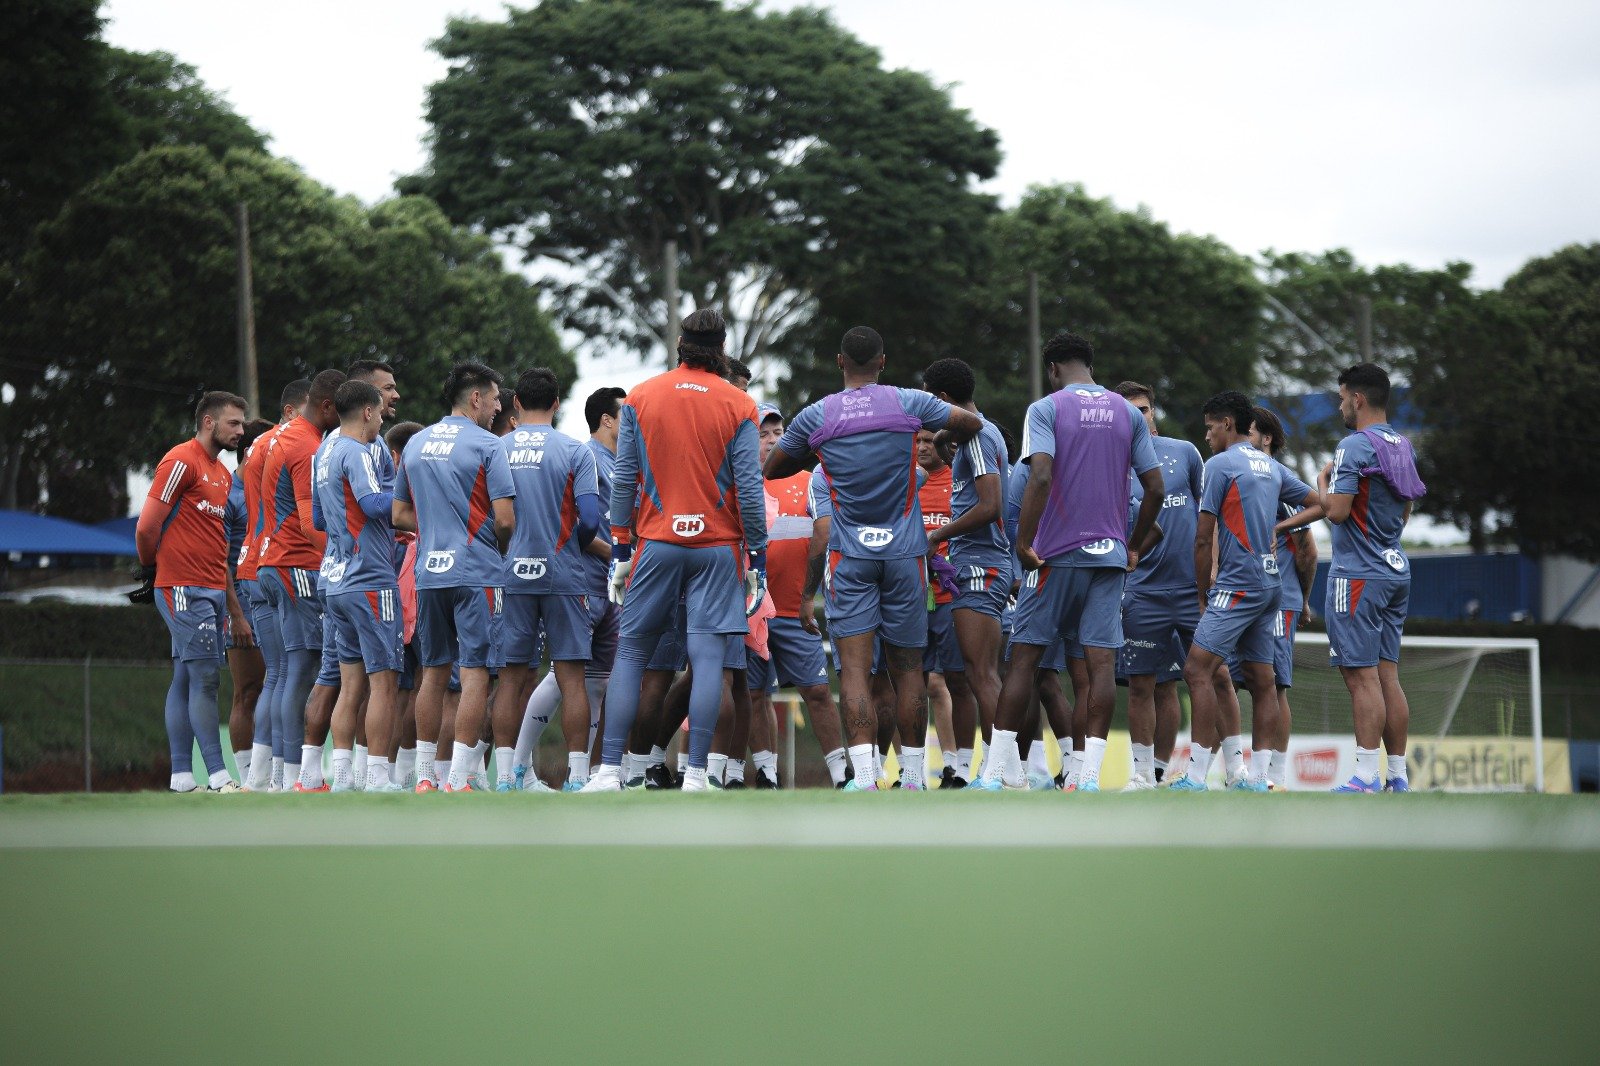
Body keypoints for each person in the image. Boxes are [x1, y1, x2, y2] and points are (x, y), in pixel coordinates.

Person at [766, 325, 981, 791]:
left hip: (851, 557)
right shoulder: (909, 402)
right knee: (909, 670)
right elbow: (972, 424)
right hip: (906, 557)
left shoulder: (817, 414)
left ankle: (863, 776)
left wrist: (822, 454)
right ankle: (912, 777)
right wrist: (927, 431)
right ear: (882, 362)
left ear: (840, 362)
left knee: (856, 670)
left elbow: (773, 467)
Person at [581, 308, 766, 792]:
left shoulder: (641, 397)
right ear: (722, 349)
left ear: (680, 344)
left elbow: (624, 481)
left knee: (632, 656)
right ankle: (698, 774)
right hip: (717, 548)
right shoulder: (739, 403)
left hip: (656, 543)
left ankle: (606, 773)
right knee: (707, 660)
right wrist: (757, 557)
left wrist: (621, 549)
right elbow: (748, 488)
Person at [975, 331, 1162, 792]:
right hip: (1109, 558)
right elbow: (1155, 488)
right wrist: (1132, 546)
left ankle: (997, 774)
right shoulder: (1126, 411)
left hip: (1054, 556)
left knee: (1024, 662)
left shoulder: (1046, 408)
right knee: (1099, 667)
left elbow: (1039, 472)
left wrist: (1024, 542)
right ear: (1090, 365)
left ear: (1054, 368)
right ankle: (1088, 778)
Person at [1283, 363, 1422, 792]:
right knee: (1387, 675)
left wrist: (1323, 480)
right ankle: (1397, 776)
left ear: (1357, 398)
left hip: (1357, 575)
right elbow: (1407, 506)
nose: (1341, 404)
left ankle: (1363, 775)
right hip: (1395, 568)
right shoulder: (1402, 444)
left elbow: (1337, 510)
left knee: (1360, 677)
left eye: (1343, 397)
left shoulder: (1353, 446)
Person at [1168, 391, 1316, 792]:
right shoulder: (1270, 465)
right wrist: (1280, 529)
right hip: (1271, 586)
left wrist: (1202, 596)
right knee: (1262, 680)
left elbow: (1202, 539)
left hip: (1237, 586)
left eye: (1210, 427)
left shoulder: (1220, 465)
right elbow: (1320, 504)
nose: (1207, 436)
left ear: (1227, 424)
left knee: (1197, 669)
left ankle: (1196, 777)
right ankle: (1259, 779)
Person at [392, 362, 516, 793]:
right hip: (476, 570)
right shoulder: (488, 445)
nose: (499, 408)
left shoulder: (416, 443)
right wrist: (490, 540)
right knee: (477, 670)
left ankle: (426, 775)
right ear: (476, 398)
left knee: (432, 671)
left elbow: (399, 514)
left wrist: (435, 529)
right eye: (496, 398)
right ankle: (461, 776)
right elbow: (505, 519)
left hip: (428, 572)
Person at [492, 368, 603, 791]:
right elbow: (591, 519)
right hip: (564, 573)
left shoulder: (497, 448)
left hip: (512, 574)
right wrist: (573, 546)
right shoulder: (576, 451)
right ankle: (576, 778)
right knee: (571, 678)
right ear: (557, 403)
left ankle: (506, 778)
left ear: (516, 401)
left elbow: (491, 517)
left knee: (512, 678)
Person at [132, 391, 249, 793]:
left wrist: (230, 604)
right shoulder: (180, 460)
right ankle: (217, 776)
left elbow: (215, 543)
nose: (240, 430)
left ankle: (182, 777)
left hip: (210, 589)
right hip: (183, 586)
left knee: (185, 676)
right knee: (205, 679)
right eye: (233, 422)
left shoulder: (222, 473)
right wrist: (151, 570)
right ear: (209, 422)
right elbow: (147, 527)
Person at [512, 386, 623, 790]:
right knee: (563, 676)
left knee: (594, 682)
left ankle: (584, 777)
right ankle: (519, 768)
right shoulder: (584, 455)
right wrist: (615, 555)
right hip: (582, 583)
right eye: (624, 414)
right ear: (606, 420)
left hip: (611, 589)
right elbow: (577, 528)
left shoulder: (619, 462)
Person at [742, 402, 842, 788]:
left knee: (817, 691)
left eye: (777, 432)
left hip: (796, 613)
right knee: (754, 695)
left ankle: (841, 775)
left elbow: (824, 535)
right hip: (752, 612)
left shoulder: (810, 479)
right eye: (762, 434)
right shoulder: (743, 483)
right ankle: (767, 774)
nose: (771, 440)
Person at [1111, 381, 1205, 789]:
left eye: (1145, 409)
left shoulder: (1185, 452)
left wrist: (1213, 571)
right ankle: (1142, 774)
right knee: (1142, 685)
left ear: (1154, 412)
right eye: (1132, 411)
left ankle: (1188, 772)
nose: (1141, 417)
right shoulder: (1111, 464)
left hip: (1191, 592)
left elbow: (1209, 517)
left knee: (1203, 680)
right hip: (1142, 593)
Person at [313, 380, 405, 791]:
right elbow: (372, 504)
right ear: (368, 411)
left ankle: (343, 778)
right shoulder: (356, 450)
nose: (384, 416)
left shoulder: (325, 449)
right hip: (369, 578)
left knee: (350, 685)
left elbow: (318, 518)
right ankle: (379, 778)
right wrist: (409, 495)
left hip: (334, 579)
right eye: (381, 410)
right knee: (384, 682)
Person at [258, 369, 345, 791]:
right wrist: (349, 545)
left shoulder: (280, 435)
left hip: (271, 562)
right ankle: (296, 775)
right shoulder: (307, 444)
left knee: (284, 672)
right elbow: (311, 522)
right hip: (295, 563)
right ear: (326, 406)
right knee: (303, 669)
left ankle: (278, 775)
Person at [922, 358, 1010, 767]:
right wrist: (943, 436)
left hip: (980, 562)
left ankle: (1001, 771)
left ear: (942, 399)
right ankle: (1004, 769)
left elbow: (991, 506)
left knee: (981, 675)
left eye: (929, 401)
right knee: (983, 673)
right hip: (983, 561)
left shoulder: (976, 439)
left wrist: (938, 535)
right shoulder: (980, 431)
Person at [1233, 405, 1317, 790]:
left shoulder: (1282, 485)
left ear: (1266, 438)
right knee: (1235, 680)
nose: (1241, 439)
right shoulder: (1240, 476)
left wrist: (1304, 597)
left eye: (1248, 432)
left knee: (1275, 684)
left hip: (1279, 600)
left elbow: (1308, 551)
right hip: (1239, 596)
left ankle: (1274, 776)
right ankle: (1240, 773)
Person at [240, 380, 309, 791]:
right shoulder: (289, 443)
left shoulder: (259, 446)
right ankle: (283, 774)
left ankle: (263, 775)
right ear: (289, 411)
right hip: (282, 560)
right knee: (291, 672)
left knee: (277, 675)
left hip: (255, 562)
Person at [223, 417, 274, 785]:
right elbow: (217, 560)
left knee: (279, 683)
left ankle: (271, 774)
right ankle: (246, 778)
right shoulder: (230, 495)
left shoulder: (268, 488)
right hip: (240, 603)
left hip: (271, 598)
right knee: (248, 691)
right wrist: (236, 615)